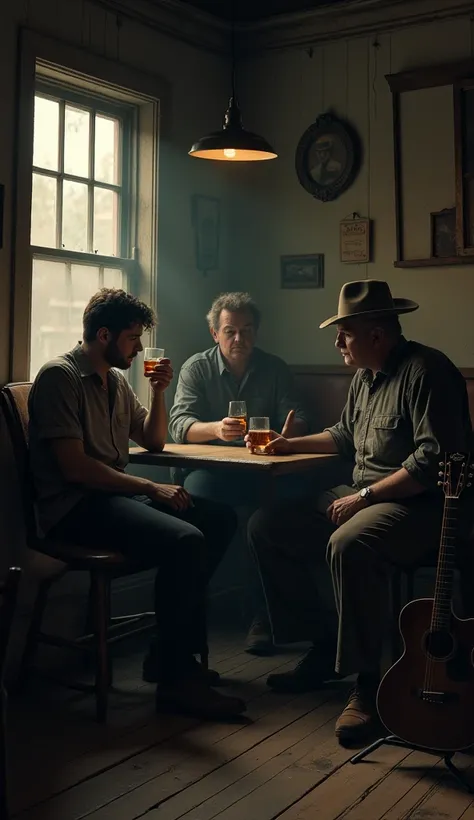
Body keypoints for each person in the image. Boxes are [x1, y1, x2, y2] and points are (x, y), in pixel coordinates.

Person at [247, 279, 472, 744]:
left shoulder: (428, 372)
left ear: (376, 334)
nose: (336, 343)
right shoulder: (365, 377)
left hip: (421, 507)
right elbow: (343, 435)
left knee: (351, 542)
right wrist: (289, 444)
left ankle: (366, 684)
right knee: (269, 526)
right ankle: (322, 645)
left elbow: (432, 464)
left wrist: (364, 499)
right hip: (361, 495)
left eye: (344, 333)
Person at [28, 288, 245, 720]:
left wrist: (159, 391)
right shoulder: (60, 377)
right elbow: (75, 469)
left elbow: (152, 439)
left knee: (217, 519)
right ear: (104, 335)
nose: (141, 348)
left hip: (110, 498)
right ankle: (176, 680)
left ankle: (167, 656)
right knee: (184, 540)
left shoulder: (115, 380)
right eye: (133, 338)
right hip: (74, 510)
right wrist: (148, 488)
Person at [169, 291, 310, 655]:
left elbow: (299, 418)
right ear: (215, 333)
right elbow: (179, 424)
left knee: (271, 518)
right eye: (230, 331)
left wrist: (286, 435)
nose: (239, 339)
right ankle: (193, 613)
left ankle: (263, 617)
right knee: (197, 504)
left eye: (246, 330)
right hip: (211, 472)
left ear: (256, 332)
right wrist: (217, 429)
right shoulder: (196, 368)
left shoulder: (274, 368)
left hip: (263, 472)